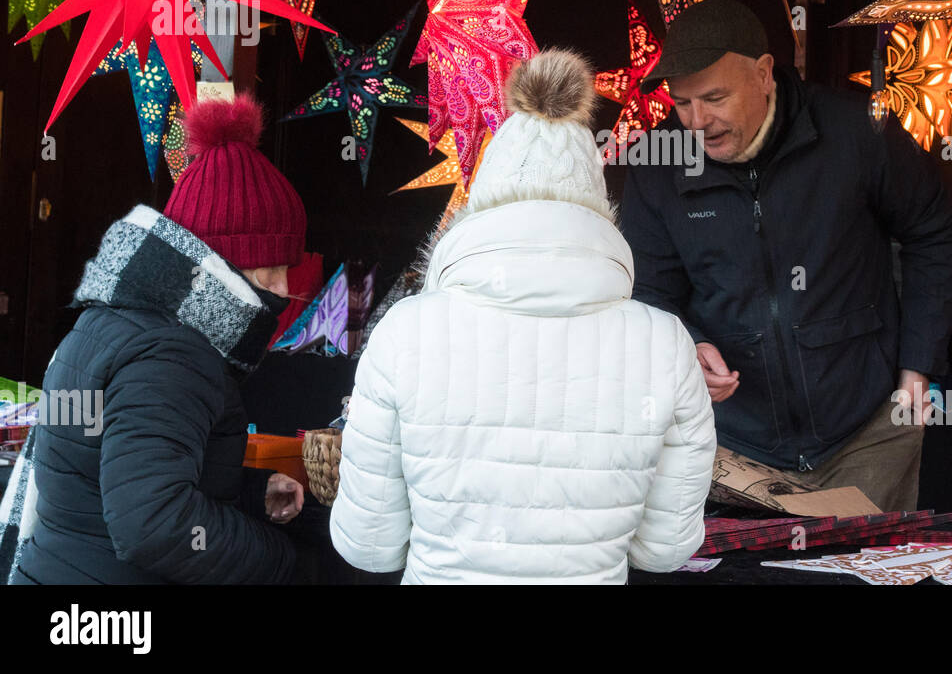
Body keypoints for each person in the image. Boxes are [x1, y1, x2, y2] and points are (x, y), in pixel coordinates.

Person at [330, 49, 716, 584]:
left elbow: (370, 546)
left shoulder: (406, 332)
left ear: (485, 198)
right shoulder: (664, 343)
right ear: (597, 203)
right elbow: (665, 550)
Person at [620, 0, 952, 513]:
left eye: (715, 98)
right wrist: (687, 345)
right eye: (683, 103)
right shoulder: (654, 166)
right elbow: (647, 291)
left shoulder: (857, 132)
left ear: (762, 74)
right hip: (733, 443)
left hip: (868, 429)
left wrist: (919, 364)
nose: (697, 121)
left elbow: (932, 231)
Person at [13, 95, 305, 584]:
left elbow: (112, 475)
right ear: (224, 265)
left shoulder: (110, 320)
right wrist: (280, 559)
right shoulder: (175, 354)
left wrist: (252, 493)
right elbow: (153, 524)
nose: (283, 291)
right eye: (272, 270)